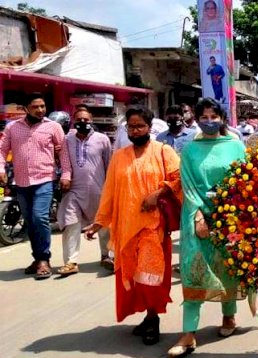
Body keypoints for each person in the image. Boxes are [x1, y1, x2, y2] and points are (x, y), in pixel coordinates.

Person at [84, 105, 181, 345]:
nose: (136, 131)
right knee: (135, 277)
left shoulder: (163, 151)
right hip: (126, 227)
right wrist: (98, 223)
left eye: (140, 126)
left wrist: (158, 193)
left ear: (150, 127)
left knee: (151, 276)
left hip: (153, 227)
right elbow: (109, 192)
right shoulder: (119, 156)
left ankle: (153, 319)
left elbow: (179, 178)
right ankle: (147, 317)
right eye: (131, 126)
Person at [167, 98, 247, 358]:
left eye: (214, 116)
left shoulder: (235, 146)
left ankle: (229, 317)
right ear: (196, 118)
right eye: (204, 116)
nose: (209, 121)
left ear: (223, 118)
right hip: (196, 216)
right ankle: (189, 333)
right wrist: (200, 217)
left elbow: (244, 180)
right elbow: (188, 185)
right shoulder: (190, 149)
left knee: (228, 267)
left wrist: (228, 213)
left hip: (230, 216)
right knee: (194, 270)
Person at [0, 93, 71, 280]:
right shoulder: (12, 128)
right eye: (35, 107)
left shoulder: (53, 127)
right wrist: (0, 168)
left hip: (45, 180)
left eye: (42, 106)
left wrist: (66, 174)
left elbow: (63, 152)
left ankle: (44, 260)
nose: (40, 110)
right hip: (22, 182)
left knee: (39, 218)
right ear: (25, 108)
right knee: (30, 222)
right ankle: (37, 258)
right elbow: (2, 149)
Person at [57, 107, 113, 277]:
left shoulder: (102, 139)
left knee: (104, 224)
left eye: (86, 120)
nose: (83, 122)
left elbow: (109, 164)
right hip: (74, 190)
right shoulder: (67, 140)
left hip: (99, 190)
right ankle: (71, 262)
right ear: (74, 121)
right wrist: (65, 177)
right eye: (79, 119)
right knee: (70, 223)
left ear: (91, 120)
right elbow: (65, 163)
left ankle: (108, 256)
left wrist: (111, 188)